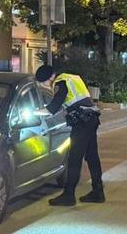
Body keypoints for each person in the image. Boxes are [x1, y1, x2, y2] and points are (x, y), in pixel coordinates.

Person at [35, 63, 104, 207]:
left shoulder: (61, 83)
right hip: (91, 118)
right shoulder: (72, 77)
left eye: (44, 83)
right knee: (92, 157)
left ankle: (69, 195)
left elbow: (53, 108)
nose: (46, 86)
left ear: (50, 78)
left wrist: (34, 112)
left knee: (74, 158)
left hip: (82, 122)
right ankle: (98, 192)